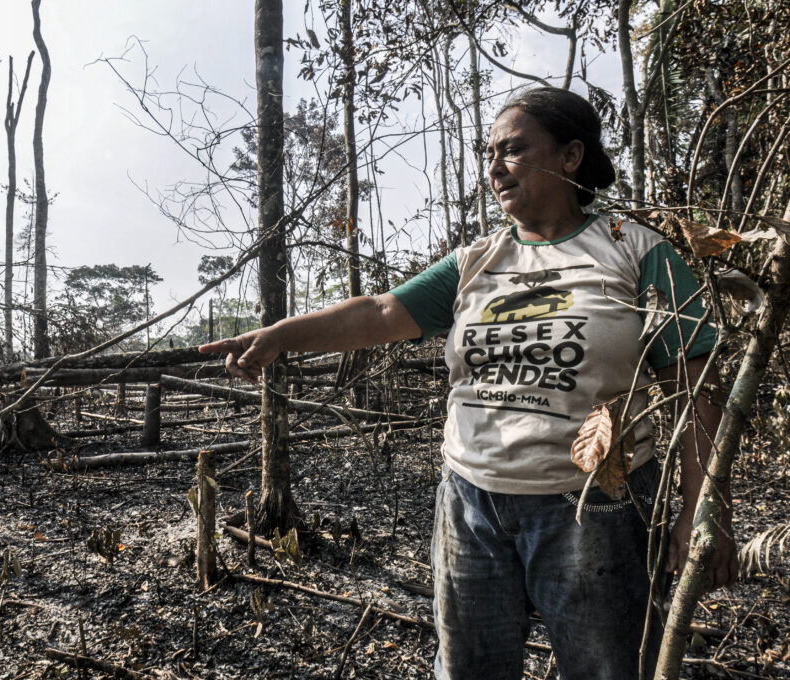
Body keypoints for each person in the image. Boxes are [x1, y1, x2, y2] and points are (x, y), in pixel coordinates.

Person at [199, 86, 737, 680]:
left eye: (513, 149)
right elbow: (381, 312)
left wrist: (704, 507)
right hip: (470, 504)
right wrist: (279, 335)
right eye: (489, 153)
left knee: (609, 668)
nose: (494, 168)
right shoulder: (477, 260)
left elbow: (697, 383)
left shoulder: (635, 249)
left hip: (595, 506)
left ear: (570, 155)